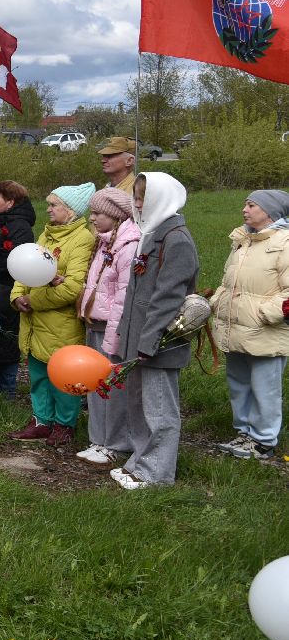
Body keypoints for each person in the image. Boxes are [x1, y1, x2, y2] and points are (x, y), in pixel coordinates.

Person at [112, 172, 199, 489]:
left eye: (143, 198)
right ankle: (140, 461)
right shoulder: (150, 234)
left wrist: (148, 342)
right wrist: (126, 335)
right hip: (140, 338)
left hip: (159, 341)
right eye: (136, 197)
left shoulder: (176, 240)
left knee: (159, 409)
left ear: (161, 199)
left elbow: (167, 298)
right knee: (139, 405)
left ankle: (157, 474)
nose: (137, 204)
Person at [8, 183, 96, 449]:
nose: (48, 209)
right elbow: (25, 269)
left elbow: (72, 288)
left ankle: (64, 424)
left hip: (61, 324)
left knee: (64, 377)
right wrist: (17, 296)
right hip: (36, 322)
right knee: (38, 375)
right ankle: (41, 420)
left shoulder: (82, 239)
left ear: (70, 210)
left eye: (54, 205)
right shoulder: (46, 235)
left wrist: (32, 301)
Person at [208, 189, 289, 461]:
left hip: (265, 331)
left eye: (252, 205)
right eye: (245, 204)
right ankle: (244, 433)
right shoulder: (243, 240)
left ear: (271, 211)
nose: (245, 209)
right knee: (239, 383)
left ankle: (264, 440)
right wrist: (217, 302)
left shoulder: (284, 242)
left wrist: (265, 313)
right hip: (235, 327)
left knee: (265, 389)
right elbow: (227, 280)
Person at [74, 187, 139, 465]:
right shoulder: (104, 243)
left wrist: (114, 337)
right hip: (95, 324)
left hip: (111, 329)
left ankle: (117, 443)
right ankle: (98, 439)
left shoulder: (128, 246)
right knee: (95, 385)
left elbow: (123, 297)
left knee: (112, 388)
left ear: (115, 215)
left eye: (98, 213)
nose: (92, 218)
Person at [0, 181, 35, 402]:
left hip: (7, 289)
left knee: (6, 339)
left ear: (10, 202)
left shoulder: (20, 227)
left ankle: (6, 392)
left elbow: (15, 262)